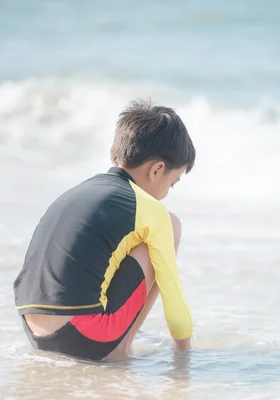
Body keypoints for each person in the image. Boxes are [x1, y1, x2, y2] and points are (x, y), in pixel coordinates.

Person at [13, 99, 195, 361]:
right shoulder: (148, 208)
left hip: (34, 334)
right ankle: (122, 346)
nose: (167, 194)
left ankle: (116, 335)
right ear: (157, 170)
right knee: (170, 225)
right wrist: (184, 353)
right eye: (172, 183)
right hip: (82, 338)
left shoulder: (77, 193)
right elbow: (174, 302)